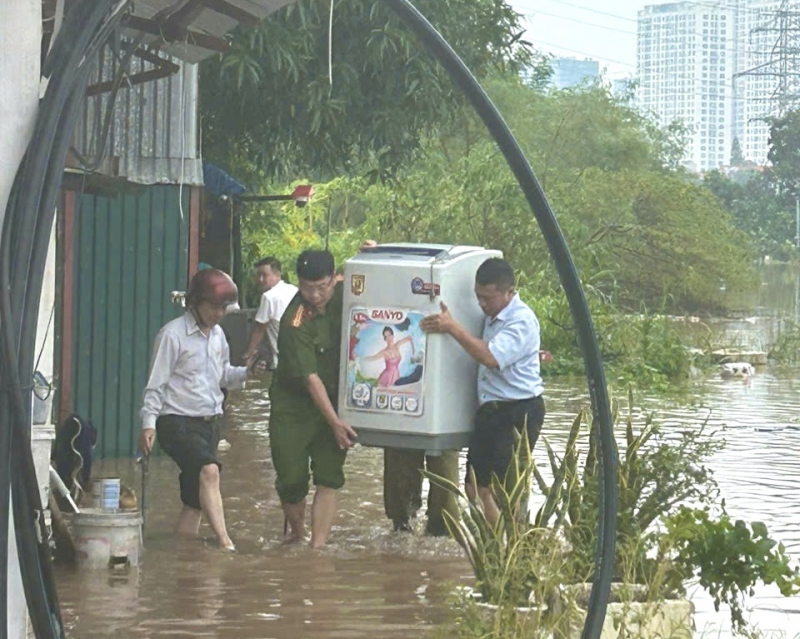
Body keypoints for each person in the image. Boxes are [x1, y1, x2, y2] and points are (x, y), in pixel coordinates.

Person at [138, 269, 264, 551]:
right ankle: (225, 543)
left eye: (223, 308)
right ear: (195, 303)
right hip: (176, 422)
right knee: (209, 471)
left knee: (194, 501)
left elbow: (222, 377)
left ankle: (184, 555)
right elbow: (155, 384)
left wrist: (247, 372)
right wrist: (148, 424)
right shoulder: (172, 335)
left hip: (208, 423)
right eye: (214, 307)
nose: (219, 314)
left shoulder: (218, 335)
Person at [420, 257, 545, 526]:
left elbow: (490, 357)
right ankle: (493, 540)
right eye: (478, 297)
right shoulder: (490, 315)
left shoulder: (521, 321)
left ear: (509, 292)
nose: (482, 304)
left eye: (488, 298)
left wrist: (452, 327)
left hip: (518, 410)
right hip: (490, 409)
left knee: (503, 489)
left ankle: (510, 542)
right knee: (474, 486)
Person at [268, 249, 358, 549]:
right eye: (307, 287)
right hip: (293, 404)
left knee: (329, 475)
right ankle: (296, 532)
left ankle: (316, 549)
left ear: (333, 279)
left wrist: (375, 252)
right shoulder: (294, 322)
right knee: (291, 476)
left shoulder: (347, 285)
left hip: (335, 396)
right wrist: (334, 422)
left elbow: (366, 273)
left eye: (322, 287)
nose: (315, 294)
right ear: (297, 283)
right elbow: (310, 378)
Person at [243, 257, 298, 370]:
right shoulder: (295, 290)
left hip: (282, 360)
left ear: (277, 275)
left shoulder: (268, 297)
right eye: (258, 275)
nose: (260, 279)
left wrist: (247, 355)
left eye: (264, 275)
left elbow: (259, 329)